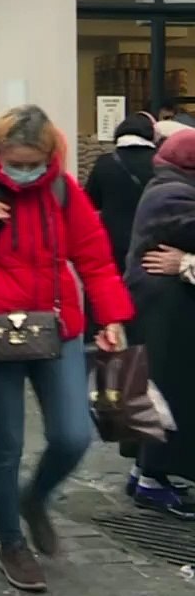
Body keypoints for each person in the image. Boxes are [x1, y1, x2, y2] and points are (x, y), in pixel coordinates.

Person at [0, 105, 133, 593]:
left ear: (49, 156)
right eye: (15, 160)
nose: (24, 171)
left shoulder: (62, 190)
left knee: (73, 435)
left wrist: (110, 317)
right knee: (5, 444)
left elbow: (94, 255)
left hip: (57, 328)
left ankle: (35, 498)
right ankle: (12, 543)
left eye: (33, 162)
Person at [121, 129, 195, 517]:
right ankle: (153, 477)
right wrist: (185, 261)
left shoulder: (166, 185)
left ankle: (145, 471)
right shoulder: (174, 193)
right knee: (166, 392)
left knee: (155, 392)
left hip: (160, 307)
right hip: (167, 312)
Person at [85, 113, 157, 274]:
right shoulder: (160, 162)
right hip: (152, 242)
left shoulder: (105, 162)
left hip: (113, 241)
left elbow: (90, 201)